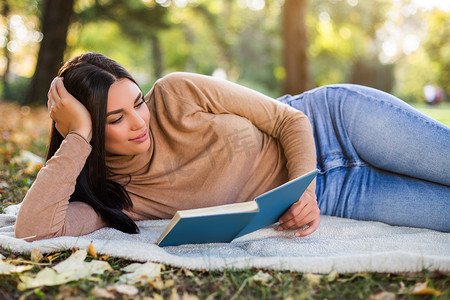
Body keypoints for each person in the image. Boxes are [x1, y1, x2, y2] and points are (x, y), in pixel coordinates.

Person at [14, 53, 450, 241]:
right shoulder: (114, 199)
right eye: (114, 119)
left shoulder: (177, 92)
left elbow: (288, 119)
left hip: (338, 124)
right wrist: (75, 138)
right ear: (89, 130)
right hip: (341, 195)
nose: (139, 121)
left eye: (138, 102)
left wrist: (305, 191)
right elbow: (34, 228)